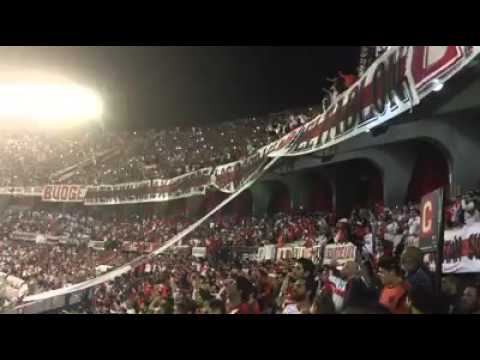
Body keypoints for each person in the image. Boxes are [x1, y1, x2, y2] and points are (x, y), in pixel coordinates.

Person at [400, 247, 435, 312]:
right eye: (404, 261)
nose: (404, 264)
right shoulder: (411, 273)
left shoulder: (420, 276)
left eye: (408, 261)